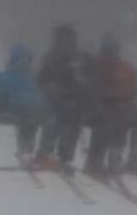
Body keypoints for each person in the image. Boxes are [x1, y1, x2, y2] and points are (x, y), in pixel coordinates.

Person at [85, 33, 137, 179]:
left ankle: (133, 158)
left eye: (113, 49)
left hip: (124, 106)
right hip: (101, 107)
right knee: (109, 120)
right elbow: (93, 90)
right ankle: (95, 161)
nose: (111, 53)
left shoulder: (125, 67)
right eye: (108, 49)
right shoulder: (94, 66)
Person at [35, 24, 94, 173]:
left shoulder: (80, 58)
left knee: (71, 126)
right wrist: (51, 90)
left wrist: (82, 92)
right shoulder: (51, 58)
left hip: (74, 101)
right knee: (53, 122)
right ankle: (45, 153)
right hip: (54, 100)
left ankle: (65, 157)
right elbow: (42, 79)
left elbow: (89, 80)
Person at [0, 44, 49, 163]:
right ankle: (26, 149)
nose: (24, 63)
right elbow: (2, 92)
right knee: (27, 124)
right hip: (22, 107)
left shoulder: (25, 76)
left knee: (28, 125)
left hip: (26, 107)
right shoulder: (23, 76)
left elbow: (1, 93)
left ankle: (26, 149)